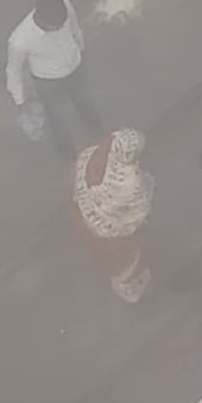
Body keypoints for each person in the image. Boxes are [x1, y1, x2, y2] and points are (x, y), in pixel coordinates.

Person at [5, 0, 99, 157]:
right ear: (40, 20)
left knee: (86, 103)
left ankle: (99, 137)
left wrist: (81, 49)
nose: (60, 28)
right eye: (55, 27)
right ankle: (68, 157)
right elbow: (13, 71)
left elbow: (75, 29)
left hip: (75, 67)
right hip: (49, 82)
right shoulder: (19, 41)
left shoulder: (65, 5)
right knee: (58, 120)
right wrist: (20, 102)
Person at [70, 129, 153, 301]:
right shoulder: (129, 181)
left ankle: (125, 284)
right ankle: (132, 288)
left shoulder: (100, 153)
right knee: (124, 260)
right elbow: (136, 206)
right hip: (115, 231)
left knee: (107, 258)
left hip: (84, 218)